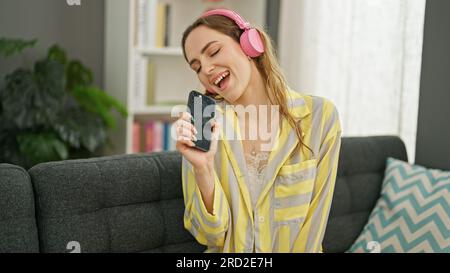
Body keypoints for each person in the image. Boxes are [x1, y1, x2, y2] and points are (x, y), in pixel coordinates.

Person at [175, 8, 342, 253]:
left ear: (250, 44)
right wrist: (203, 169)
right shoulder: (205, 127)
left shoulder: (320, 117)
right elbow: (209, 235)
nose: (207, 70)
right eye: (197, 67)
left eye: (214, 52)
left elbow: (313, 228)